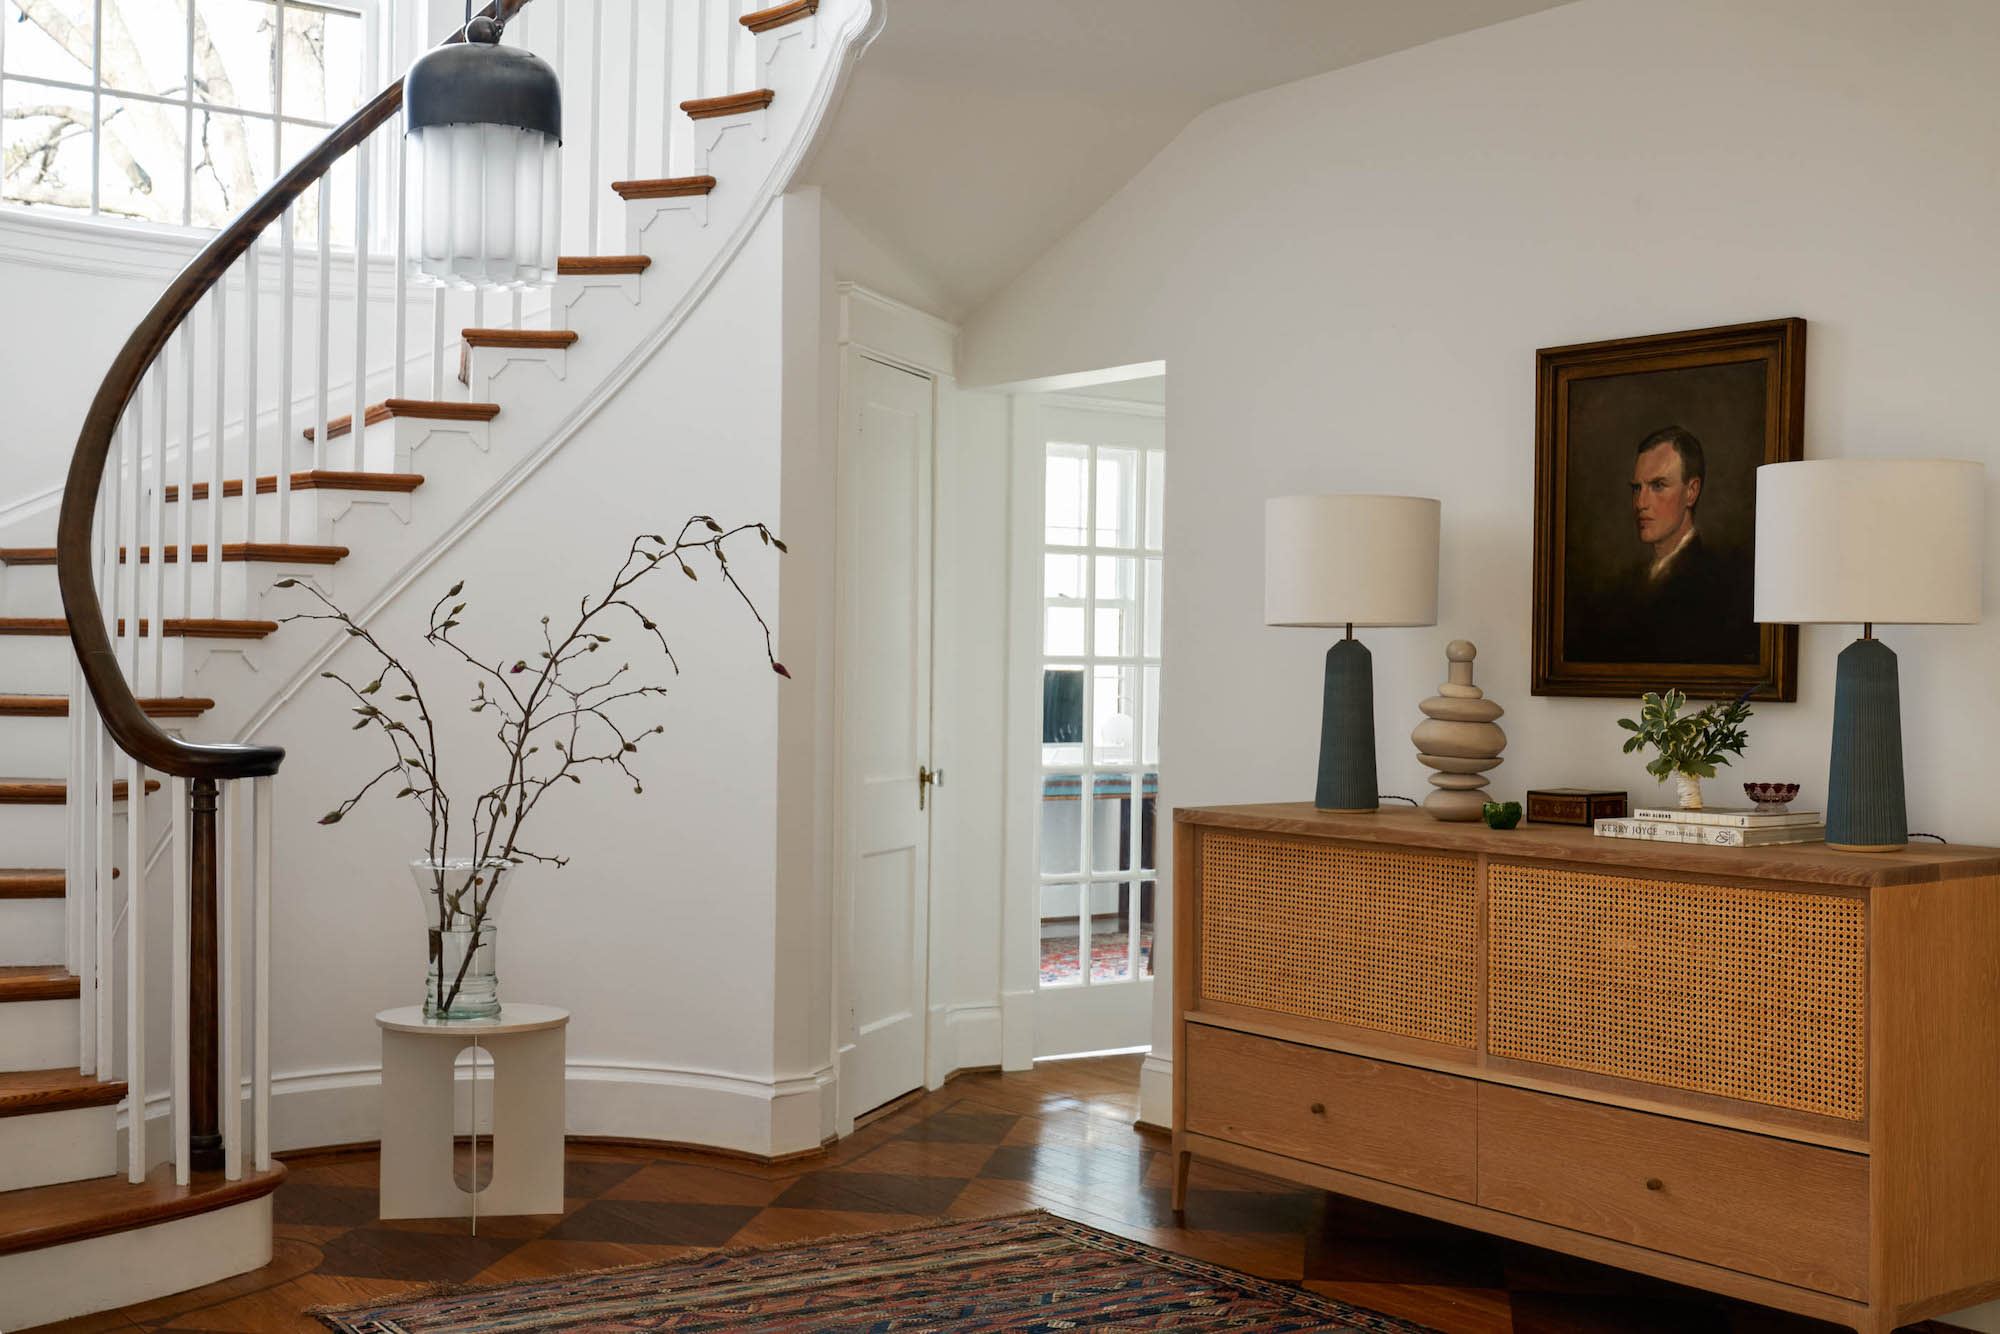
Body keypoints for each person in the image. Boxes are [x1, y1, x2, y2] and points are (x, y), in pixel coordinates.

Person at [1567, 425, 1757, 666]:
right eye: (1637, 488)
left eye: (1658, 486)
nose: (1640, 503)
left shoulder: (1723, 584)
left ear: (1691, 491)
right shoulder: (1622, 588)